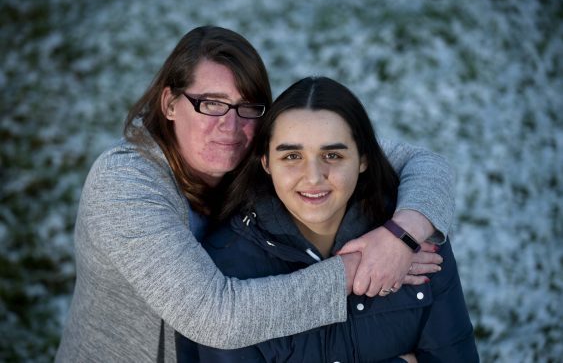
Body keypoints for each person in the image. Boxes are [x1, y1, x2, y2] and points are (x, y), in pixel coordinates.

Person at [56, 26, 454, 362]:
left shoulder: (258, 153)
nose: (229, 126)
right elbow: (215, 315)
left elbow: (423, 162)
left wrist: (401, 234)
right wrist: (358, 269)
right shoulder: (124, 183)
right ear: (170, 103)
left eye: (247, 108)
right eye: (211, 104)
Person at [180, 76, 478, 362]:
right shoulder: (224, 267)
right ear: (266, 162)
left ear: (363, 159)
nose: (313, 177)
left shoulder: (414, 241)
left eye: (332, 156)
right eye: (292, 157)